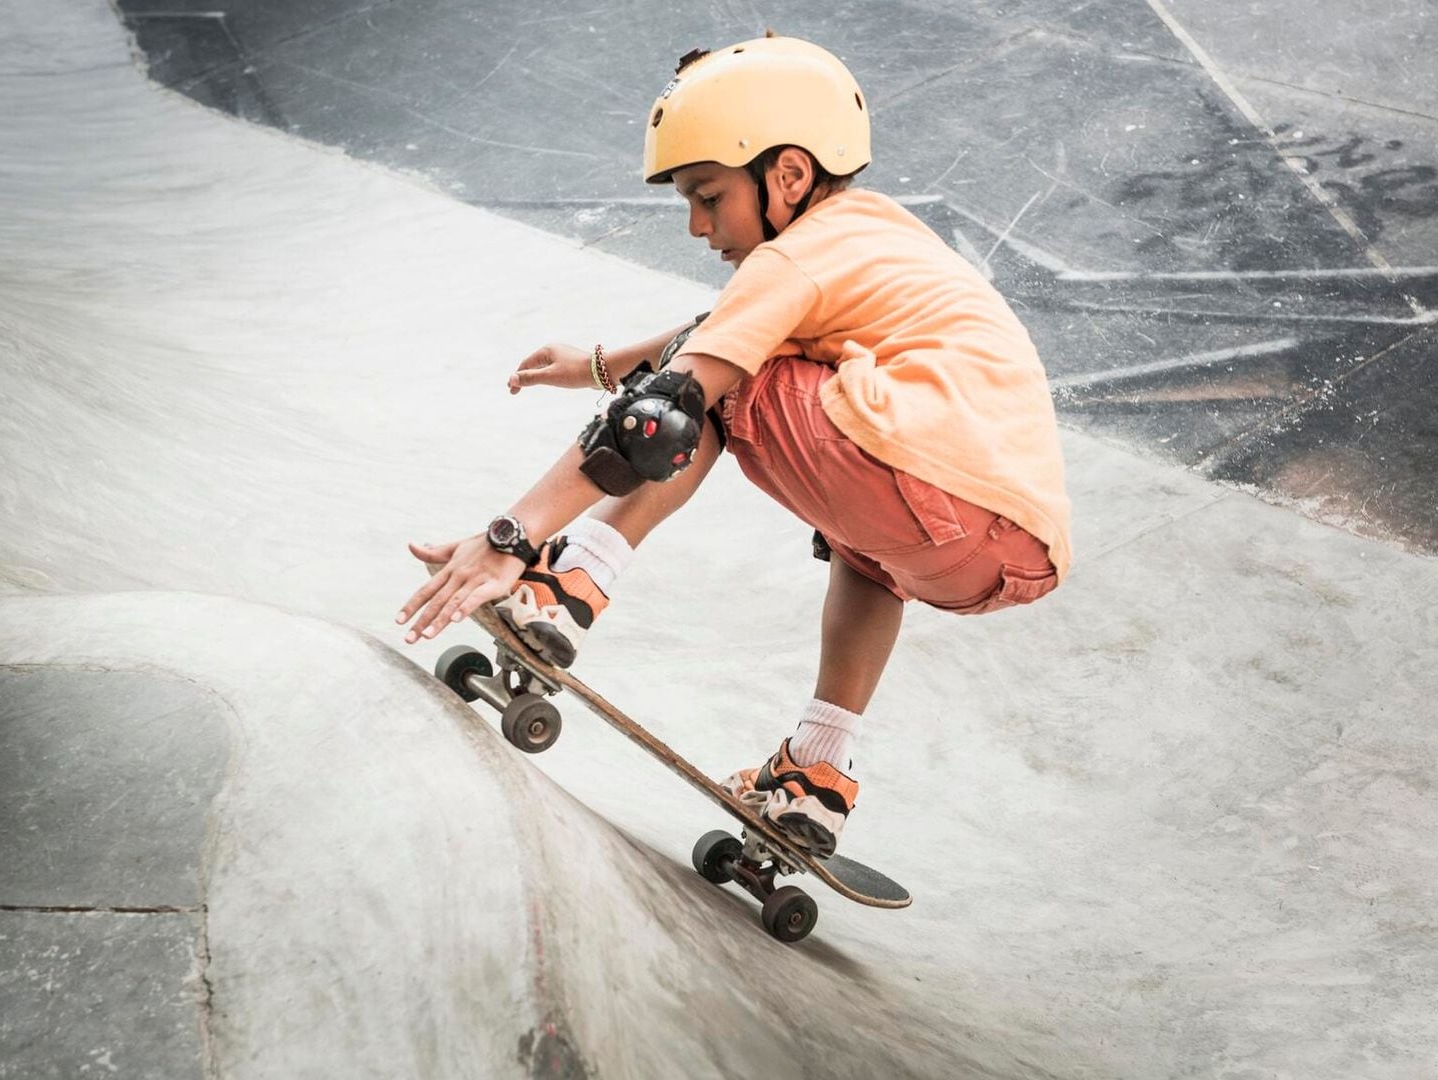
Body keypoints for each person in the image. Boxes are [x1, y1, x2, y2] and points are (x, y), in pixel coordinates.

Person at [398, 34, 1072, 857]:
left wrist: (513, 537)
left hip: (921, 481)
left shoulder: (796, 256)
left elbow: (672, 406)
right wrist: (598, 365)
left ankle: (567, 583)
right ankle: (820, 773)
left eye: (709, 195)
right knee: (852, 532)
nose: (695, 225)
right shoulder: (871, 241)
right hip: (1002, 552)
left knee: (716, 384)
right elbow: (715, 330)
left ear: (787, 175)